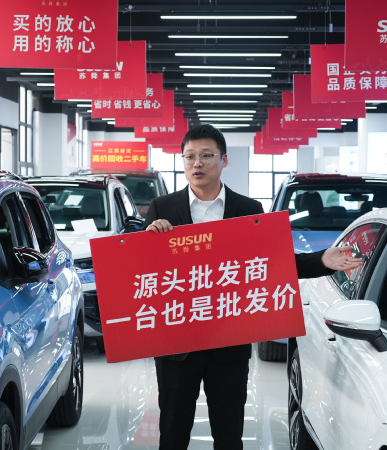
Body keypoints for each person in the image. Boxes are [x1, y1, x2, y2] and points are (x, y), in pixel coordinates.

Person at [143, 124, 363, 449]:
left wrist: (321, 260)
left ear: (224, 160)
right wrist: (148, 239)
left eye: (206, 155)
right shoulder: (163, 208)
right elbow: (144, 272)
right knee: (173, 435)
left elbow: (272, 263)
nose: (197, 163)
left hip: (229, 341)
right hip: (177, 345)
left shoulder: (248, 210)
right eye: (190, 157)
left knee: (229, 435)